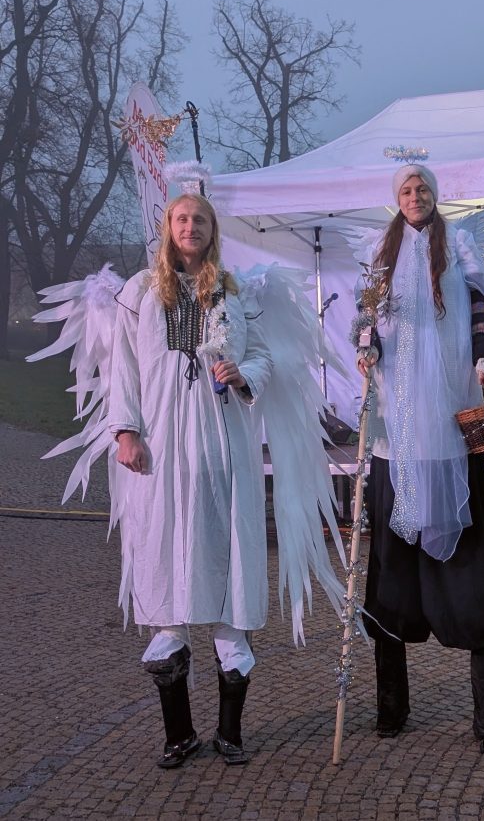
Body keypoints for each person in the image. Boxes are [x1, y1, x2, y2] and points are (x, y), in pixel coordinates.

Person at [108, 193, 273, 768]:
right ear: (168, 227)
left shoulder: (233, 291)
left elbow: (265, 357)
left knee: (227, 573)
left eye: (200, 219)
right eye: (181, 218)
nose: (190, 226)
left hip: (221, 452)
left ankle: (230, 732)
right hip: (160, 450)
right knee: (163, 572)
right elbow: (123, 368)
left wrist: (243, 372)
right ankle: (178, 733)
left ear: (212, 229)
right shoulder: (140, 292)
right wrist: (126, 431)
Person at [356, 164, 484, 755]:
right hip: (395, 439)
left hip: (449, 431)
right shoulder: (381, 251)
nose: (415, 196)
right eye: (405, 189)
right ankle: (390, 708)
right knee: (391, 578)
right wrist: (367, 348)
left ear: (434, 194)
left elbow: (478, 311)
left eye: (422, 188)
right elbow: (367, 318)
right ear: (395, 198)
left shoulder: (459, 243)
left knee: (470, 578)